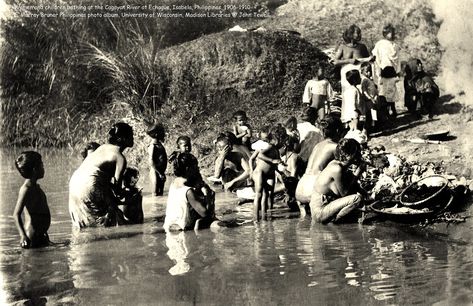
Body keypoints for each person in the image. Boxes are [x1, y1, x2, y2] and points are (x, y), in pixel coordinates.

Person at [69, 122, 133, 228]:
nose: (133, 138)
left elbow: (103, 181)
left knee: (88, 223)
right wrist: (128, 195)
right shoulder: (120, 157)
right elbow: (117, 190)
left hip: (75, 182)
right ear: (122, 138)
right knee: (110, 219)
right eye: (131, 135)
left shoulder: (102, 147)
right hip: (90, 183)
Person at [310, 138, 365, 223]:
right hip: (320, 211)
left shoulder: (336, 164)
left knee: (351, 179)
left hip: (323, 206)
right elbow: (345, 193)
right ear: (348, 155)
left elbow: (349, 185)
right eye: (357, 153)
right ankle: (335, 221)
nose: (359, 156)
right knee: (356, 199)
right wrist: (358, 172)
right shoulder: (337, 169)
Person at [296, 115, 343, 205]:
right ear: (338, 131)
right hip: (313, 189)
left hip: (300, 187)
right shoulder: (334, 146)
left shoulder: (317, 146)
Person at [163, 152, 217, 231]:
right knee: (215, 223)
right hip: (182, 231)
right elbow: (205, 214)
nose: (198, 168)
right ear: (188, 169)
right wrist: (209, 197)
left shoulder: (174, 183)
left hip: (170, 228)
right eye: (195, 166)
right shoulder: (188, 191)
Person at [13, 151, 51, 248]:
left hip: (40, 236)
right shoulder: (26, 189)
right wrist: (23, 236)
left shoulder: (35, 186)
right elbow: (16, 214)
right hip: (32, 238)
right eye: (42, 165)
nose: (43, 168)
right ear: (35, 169)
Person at [334, 24, 373, 118]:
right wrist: (349, 61)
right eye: (357, 33)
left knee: (361, 95)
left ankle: (362, 120)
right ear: (350, 34)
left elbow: (367, 61)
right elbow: (335, 62)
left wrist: (370, 60)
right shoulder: (342, 47)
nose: (360, 35)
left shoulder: (362, 47)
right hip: (346, 75)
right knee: (348, 96)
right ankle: (348, 119)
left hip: (359, 74)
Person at [250, 125, 287, 221]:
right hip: (259, 172)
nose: (283, 144)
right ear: (276, 139)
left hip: (269, 174)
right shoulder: (270, 147)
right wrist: (272, 160)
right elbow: (260, 155)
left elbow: (276, 165)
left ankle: (266, 217)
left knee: (267, 194)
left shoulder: (276, 150)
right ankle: (256, 219)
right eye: (282, 141)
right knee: (259, 195)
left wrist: (282, 169)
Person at [372, 24, 400, 119]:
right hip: (383, 70)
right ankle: (385, 112)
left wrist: (397, 71)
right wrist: (378, 70)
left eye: (392, 32)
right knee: (383, 92)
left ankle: (393, 109)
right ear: (385, 33)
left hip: (392, 71)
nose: (392, 34)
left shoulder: (395, 45)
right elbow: (376, 56)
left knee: (392, 91)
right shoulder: (380, 44)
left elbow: (397, 59)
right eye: (389, 33)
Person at [147, 123, 167, 196]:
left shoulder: (159, 144)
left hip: (160, 172)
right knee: (155, 194)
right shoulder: (152, 146)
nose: (163, 134)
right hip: (155, 172)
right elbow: (151, 161)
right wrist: (159, 173)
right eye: (161, 132)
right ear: (156, 134)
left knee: (160, 194)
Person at [359, 62, 378, 134]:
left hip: (373, 98)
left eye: (370, 71)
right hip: (368, 100)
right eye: (367, 71)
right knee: (369, 114)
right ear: (362, 71)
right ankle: (368, 128)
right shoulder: (364, 80)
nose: (369, 73)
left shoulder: (369, 79)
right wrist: (370, 98)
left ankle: (373, 125)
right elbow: (364, 91)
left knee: (373, 112)